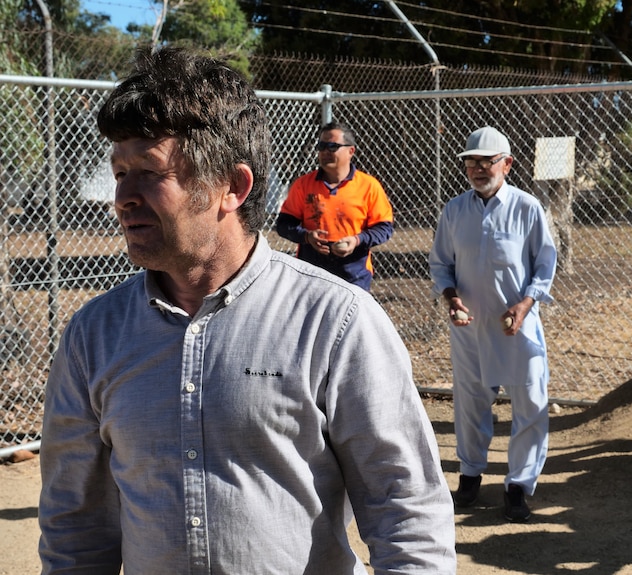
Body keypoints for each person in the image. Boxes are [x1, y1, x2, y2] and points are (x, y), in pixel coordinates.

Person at [38, 47, 456, 574]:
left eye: (149, 171)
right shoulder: (93, 337)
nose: (123, 195)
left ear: (233, 187)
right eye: (120, 171)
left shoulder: (336, 322)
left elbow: (407, 511)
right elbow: (75, 528)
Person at [428, 126, 557, 523]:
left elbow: (545, 264)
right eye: (472, 162)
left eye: (488, 161)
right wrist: (451, 299)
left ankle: (518, 485)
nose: (479, 169)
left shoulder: (527, 207)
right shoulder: (454, 210)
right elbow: (441, 264)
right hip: (469, 328)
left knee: (530, 402)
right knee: (470, 403)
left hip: (515, 327)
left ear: (508, 164)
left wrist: (525, 304)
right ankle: (470, 476)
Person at [276, 121, 393, 291]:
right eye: (321, 146)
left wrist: (356, 240)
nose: (325, 152)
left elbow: (384, 228)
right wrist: (308, 237)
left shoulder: (368, 185)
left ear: (350, 151)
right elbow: (284, 225)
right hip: (311, 273)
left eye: (332, 146)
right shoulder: (303, 185)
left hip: (354, 275)